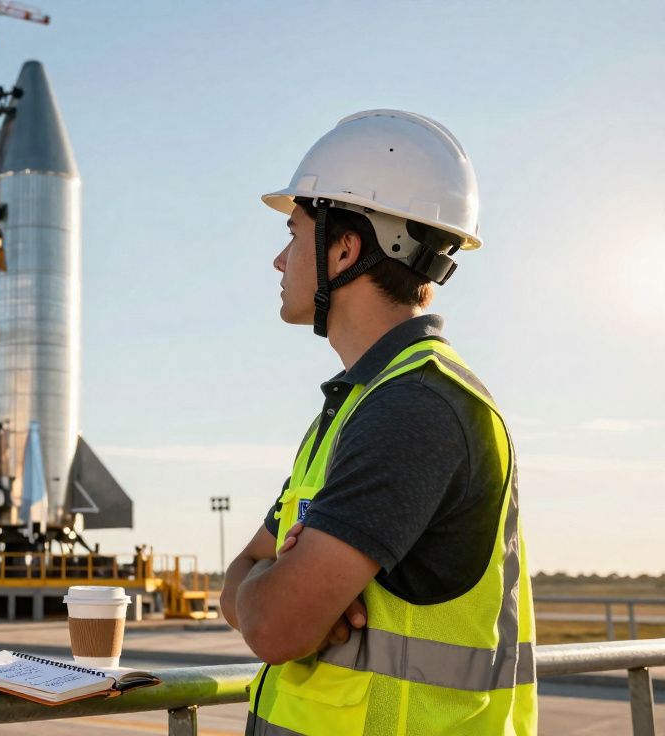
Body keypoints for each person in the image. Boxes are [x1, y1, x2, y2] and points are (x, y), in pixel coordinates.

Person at [220, 110, 536, 735]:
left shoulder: (415, 409)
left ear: (345, 248)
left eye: (293, 233)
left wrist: (282, 597)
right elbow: (241, 574)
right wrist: (278, 588)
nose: (279, 261)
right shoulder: (359, 404)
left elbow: (273, 627)